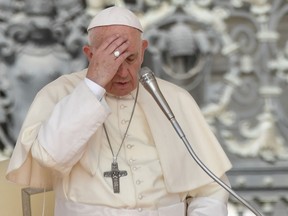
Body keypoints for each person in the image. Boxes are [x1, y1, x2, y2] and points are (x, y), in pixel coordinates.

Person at [6, 6, 232, 216]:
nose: (122, 73)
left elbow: (210, 188)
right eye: (111, 60)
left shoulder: (174, 98)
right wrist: (93, 85)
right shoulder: (58, 93)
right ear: (90, 54)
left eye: (130, 58)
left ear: (143, 51)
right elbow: (50, 157)